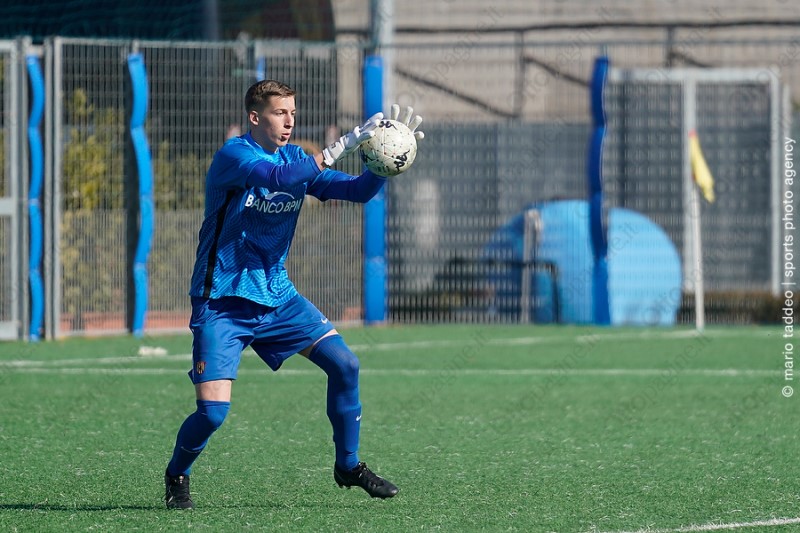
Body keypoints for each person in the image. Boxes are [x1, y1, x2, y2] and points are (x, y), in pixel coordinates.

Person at [163, 79, 424, 509]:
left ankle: (348, 465)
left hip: (277, 296)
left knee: (345, 365)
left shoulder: (296, 158)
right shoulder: (235, 156)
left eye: (293, 114)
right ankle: (177, 473)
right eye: (280, 113)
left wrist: (385, 161)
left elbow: (356, 191)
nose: (289, 121)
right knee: (212, 413)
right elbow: (277, 178)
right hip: (223, 300)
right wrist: (341, 145)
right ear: (255, 117)